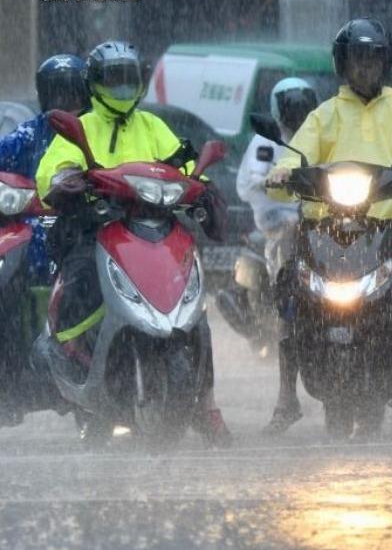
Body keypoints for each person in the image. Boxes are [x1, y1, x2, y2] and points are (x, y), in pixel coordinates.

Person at [35, 40, 232, 446]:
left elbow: (186, 166)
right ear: (95, 84)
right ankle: (75, 355)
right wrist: (66, 181)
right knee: (81, 282)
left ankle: (207, 404)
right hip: (97, 227)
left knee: (196, 313)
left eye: (129, 79)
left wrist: (204, 187)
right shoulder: (83, 126)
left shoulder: (152, 126)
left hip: (156, 229)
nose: (122, 88)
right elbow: (51, 171)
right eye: (113, 79)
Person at [267, 18, 392, 432]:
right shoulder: (324, 116)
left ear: (385, 63)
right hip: (328, 232)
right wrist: (283, 173)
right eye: (358, 59)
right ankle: (286, 399)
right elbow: (295, 155)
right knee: (290, 291)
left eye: (373, 59)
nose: (365, 67)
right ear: (344, 63)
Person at [0, 54, 89, 427]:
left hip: (84, 233)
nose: (64, 99)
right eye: (56, 91)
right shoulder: (29, 134)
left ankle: (93, 377)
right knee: (6, 288)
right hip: (31, 235)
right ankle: (10, 380)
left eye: (71, 91)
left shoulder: (94, 130)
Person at [227, 77, 317, 435]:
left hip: (324, 225)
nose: (297, 112)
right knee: (289, 306)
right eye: (290, 105)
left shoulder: (322, 133)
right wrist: (273, 181)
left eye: (302, 104)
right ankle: (287, 398)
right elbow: (248, 181)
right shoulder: (266, 141)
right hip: (281, 227)